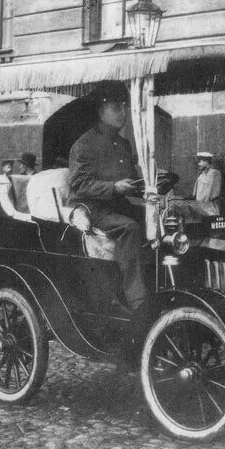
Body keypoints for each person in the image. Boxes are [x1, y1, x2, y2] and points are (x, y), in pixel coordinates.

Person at [68, 84, 148, 310]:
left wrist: (148, 184)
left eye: (125, 106)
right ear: (101, 110)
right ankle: (136, 300)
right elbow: (80, 184)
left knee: (159, 220)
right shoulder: (83, 145)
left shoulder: (123, 144)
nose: (123, 112)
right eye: (116, 107)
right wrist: (114, 187)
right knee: (130, 228)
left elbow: (129, 182)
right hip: (94, 210)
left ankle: (158, 283)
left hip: (118, 206)